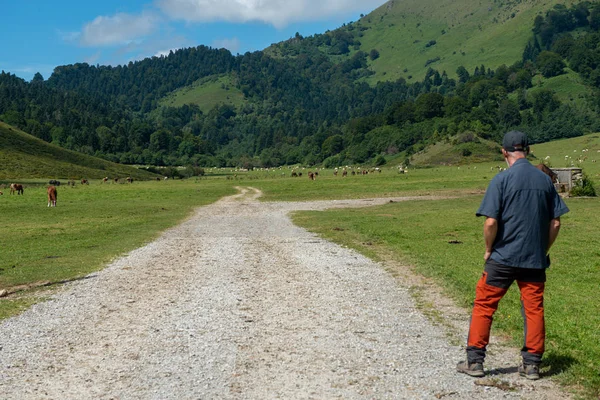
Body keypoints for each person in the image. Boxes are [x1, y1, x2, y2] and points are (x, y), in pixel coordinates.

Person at [456, 131, 569, 380]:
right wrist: (543, 250)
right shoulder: (544, 181)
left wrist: (488, 248)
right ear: (527, 150)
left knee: (485, 305)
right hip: (533, 260)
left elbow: (490, 222)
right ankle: (531, 365)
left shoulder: (501, 180)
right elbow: (556, 224)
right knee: (533, 309)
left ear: (504, 151)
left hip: (502, 258)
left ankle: (475, 362)